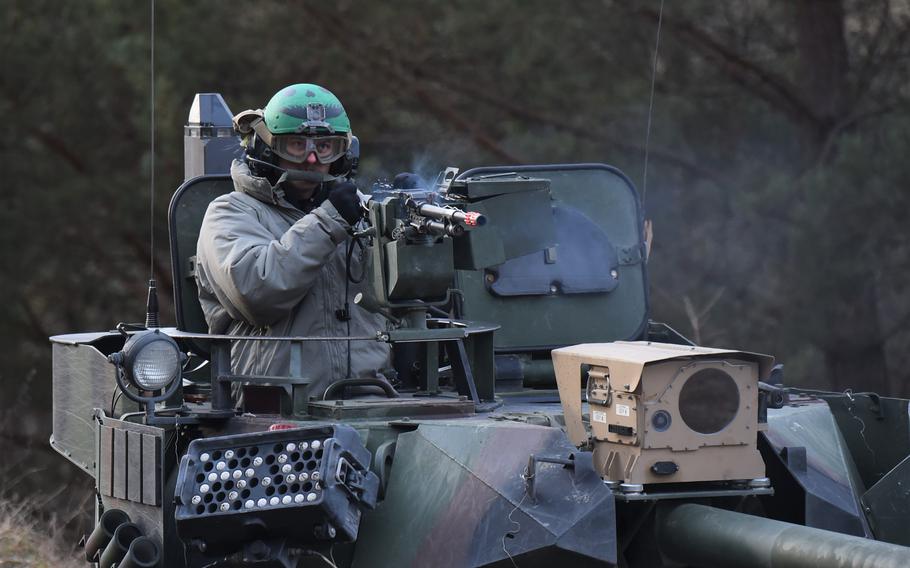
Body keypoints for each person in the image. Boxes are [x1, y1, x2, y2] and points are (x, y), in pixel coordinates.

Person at [194, 83, 391, 400]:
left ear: (342, 154)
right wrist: (329, 221)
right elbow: (258, 292)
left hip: (368, 400)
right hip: (271, 409)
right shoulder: (230, 213)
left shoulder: (358, 210)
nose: (312, 159)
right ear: (267, 147)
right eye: (296, 145)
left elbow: (409, 300)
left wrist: (402, 226)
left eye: (325, 147)